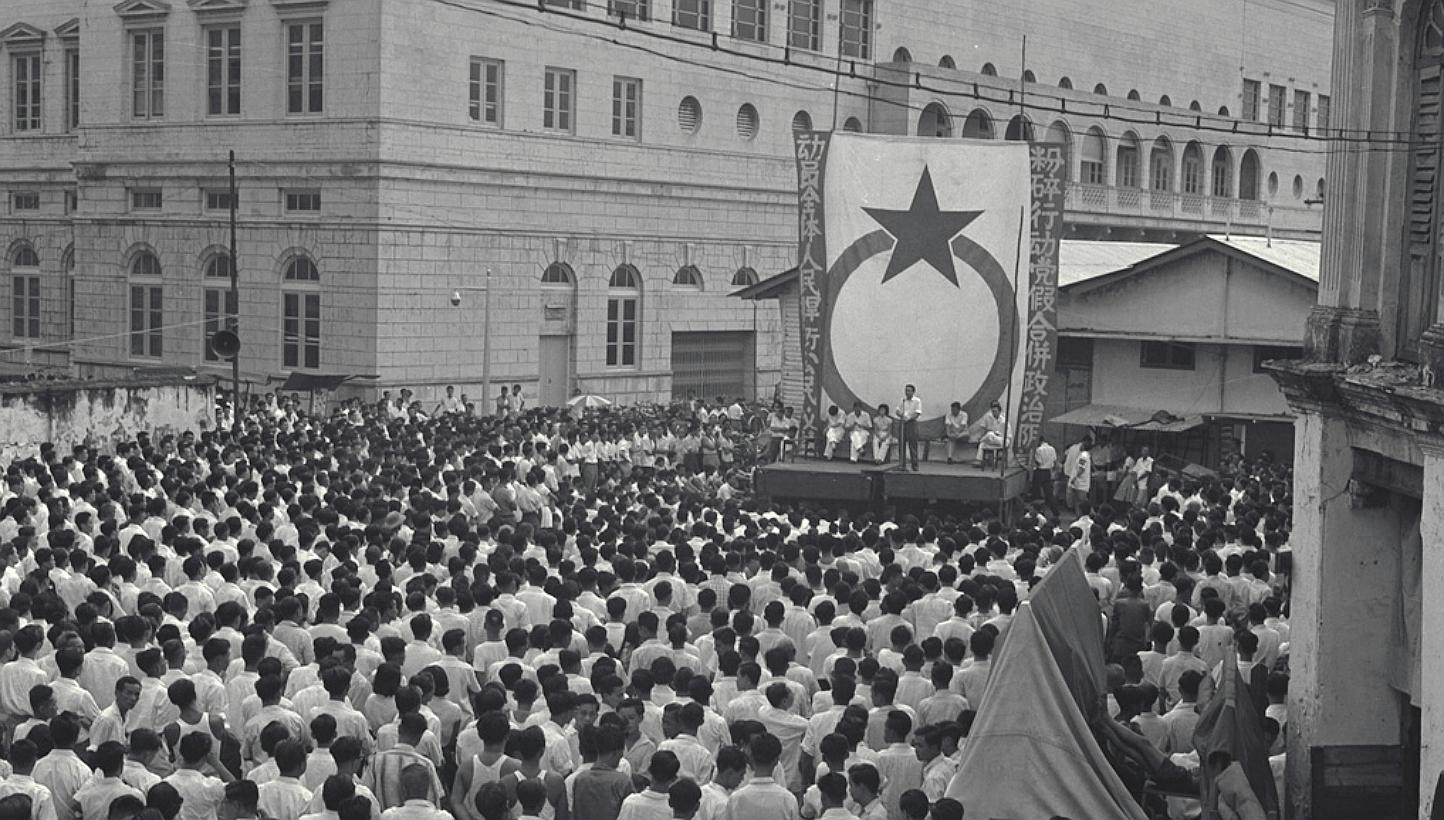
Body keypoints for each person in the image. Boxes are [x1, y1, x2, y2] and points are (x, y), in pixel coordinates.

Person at [896, 386, 922, 472]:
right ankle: (902, 464)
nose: (907, 392)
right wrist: (901, 415)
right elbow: (898, 410)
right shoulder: (903, 400)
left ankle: (915, 465)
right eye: (906, 391)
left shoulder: (917, 401)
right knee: (902, 444)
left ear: (913, 392)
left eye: (909, 391)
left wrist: (909, 418)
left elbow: (917, 413)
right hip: (903, 423)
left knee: (913, 444)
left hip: (912, 423)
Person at [1030, 435, 1058, 515]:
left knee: (1037, 493)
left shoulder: (1039, 450)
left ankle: (1038, 511)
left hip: (1040, 471)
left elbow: (1039, 462)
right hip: (1048, 472)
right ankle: (1055, 512)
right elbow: (1055, 461)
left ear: (1039, 441)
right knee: (1049, 493)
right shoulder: (1052, 449)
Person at [972, 402, 1006, 467]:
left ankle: (981, 440)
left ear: (999, 411)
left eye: (995, 411)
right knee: (982, 444)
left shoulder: (1003, 420)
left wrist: (992, 432)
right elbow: (984, 428)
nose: (994, 413)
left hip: (1001, 439)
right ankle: (979, 461)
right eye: (993, 411)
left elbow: (1001, 432)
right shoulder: (989, 417)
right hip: (991, 438)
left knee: (990, 434)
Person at [1068, 439, 1093, 513]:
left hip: (1080, 483)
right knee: (1078, 501)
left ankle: (1090, 514)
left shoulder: (1083, 456)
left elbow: (1081, 469)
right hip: (1080, 483)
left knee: (1082, 501)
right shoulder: (1085, 455)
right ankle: (1078, 515)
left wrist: (1074, 478)